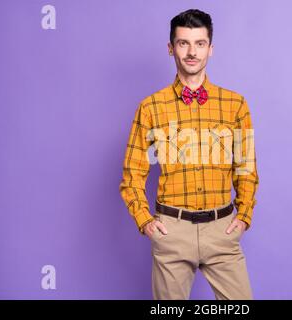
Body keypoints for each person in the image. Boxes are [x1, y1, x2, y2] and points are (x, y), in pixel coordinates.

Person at [119, 8, 259, 300]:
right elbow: (132, 175)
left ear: (211, 48)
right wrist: (146, 222)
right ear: (171, 49)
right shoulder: (151, 107)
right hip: (172, 231)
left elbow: (246, 168)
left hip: (222, 230)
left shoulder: (236, 105)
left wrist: (243, 216)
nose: (192, 52)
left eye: (199, 43)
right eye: (183, 43)